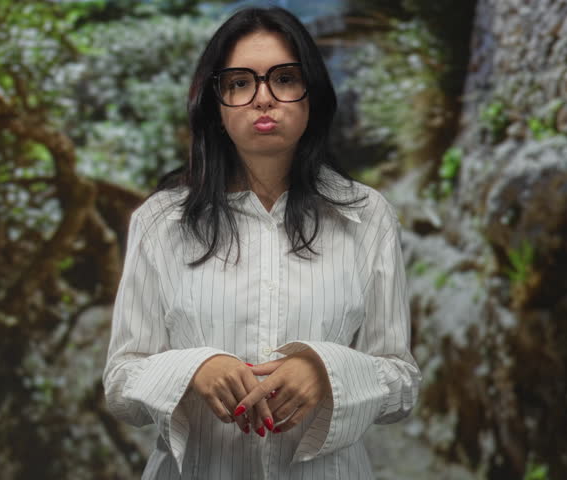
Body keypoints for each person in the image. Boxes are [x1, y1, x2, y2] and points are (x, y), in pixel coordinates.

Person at [103, 6, 421, 479]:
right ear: (215, 102)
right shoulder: (160, 222)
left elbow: (402, 383)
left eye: (285, 79)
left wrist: (327, 373)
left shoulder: (365, 215)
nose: (263, 99)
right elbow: (121, 382)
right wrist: (194, 370)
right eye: (239, 83)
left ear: (311, 94)